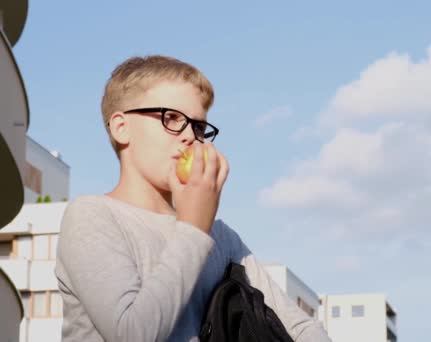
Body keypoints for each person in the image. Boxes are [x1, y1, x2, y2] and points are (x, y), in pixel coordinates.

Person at [55, 55, 331, 342]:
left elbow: (303, 329)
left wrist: (199, 227)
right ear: (121, 127)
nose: (189, 136)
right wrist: (194, 229)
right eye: (171, 118)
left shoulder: (222, 237)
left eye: (198, 127)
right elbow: (132, 334)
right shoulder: (92, 216)